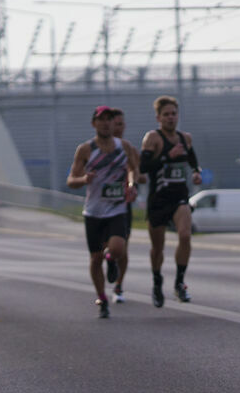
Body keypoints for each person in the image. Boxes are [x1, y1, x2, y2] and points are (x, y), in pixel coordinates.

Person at [68, 105, 138, 318]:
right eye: (102, 119)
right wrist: (84, 179)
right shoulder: (86, 149)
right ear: (94, 123)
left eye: (109, 119)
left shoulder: (123, 146)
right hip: (93, 212)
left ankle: (112, 260)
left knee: (118, 248)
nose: (106, 123)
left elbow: (133, 169)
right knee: (95, 257)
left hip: (116, 209)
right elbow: (71, 180)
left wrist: (132, 184)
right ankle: (102, 297)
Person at [139, 95, 203, 308]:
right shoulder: (152, 138)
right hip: (158, 199)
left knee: (185, 235)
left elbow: (193, 161)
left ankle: (179, 282)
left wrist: (196, 173)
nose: (170, 118)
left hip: (179, 197)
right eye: (166, 114)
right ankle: (157, 281)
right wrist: (167, 155)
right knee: (158, 248)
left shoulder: (185, 138)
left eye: (173, 114)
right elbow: (143, 167)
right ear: (158, 117)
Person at [106, 108, 141, 303]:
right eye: (115, 124)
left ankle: (119, 286)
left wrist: (133, 183)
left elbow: (137, 172)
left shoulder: (129, 149)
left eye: (121, 124)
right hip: (101, 205)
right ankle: (109, 258)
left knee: (123, 248)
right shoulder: (95, 148)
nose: (119, 128)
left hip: (121, 205)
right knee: (105, 247)